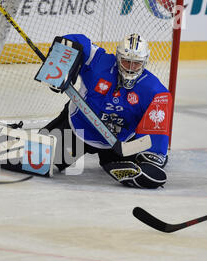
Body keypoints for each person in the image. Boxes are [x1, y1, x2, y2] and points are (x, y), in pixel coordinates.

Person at [43, 33, 172, 189]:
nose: (130, 68)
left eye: (136, 63)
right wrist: (58, 64)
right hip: (79, 129)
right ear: (118, 57)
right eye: (126, 61)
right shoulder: (99, 62)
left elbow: (155, 133)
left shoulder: (155, 91)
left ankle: (117, 161)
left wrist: (151, 158)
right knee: (36, 160)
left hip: (119, 143)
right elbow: (75, 41)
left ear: (145, 61)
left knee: (144, 169)